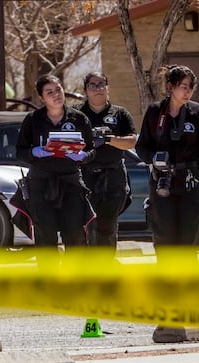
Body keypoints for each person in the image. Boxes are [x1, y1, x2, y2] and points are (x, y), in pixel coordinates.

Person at [135, 65, 199, 264]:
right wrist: (154, 159)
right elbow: (141, 148)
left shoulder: (197, 112)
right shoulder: (155, 112)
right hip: (162, 183)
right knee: (164, 239)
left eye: (191, 86)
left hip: (191, 182)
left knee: (189, 240)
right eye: (183, 86)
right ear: (170, 86)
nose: (188, 91)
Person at [16, 74, 95, 267]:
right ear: (42, 98)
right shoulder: (33, 119)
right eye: (49, 92)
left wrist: (83, 156)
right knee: (45, 235)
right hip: (41, 184)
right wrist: (36, 152)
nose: (56, 95)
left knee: (74, 233)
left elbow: (92, 149)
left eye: (58, 89)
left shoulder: (78, 118)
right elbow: (20, 151)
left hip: (71, 183)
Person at [75, 72, 137, 258]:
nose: (98, 89)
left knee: (107, 229)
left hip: (113, 179)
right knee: (83, 229)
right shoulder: (76, 114)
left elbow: (132, 141)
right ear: (86, 90)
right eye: (93, 85)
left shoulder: (120, 113)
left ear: (108, 88)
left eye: (102, 84)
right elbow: (68, 142)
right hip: (85, 178)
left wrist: (108, 139)